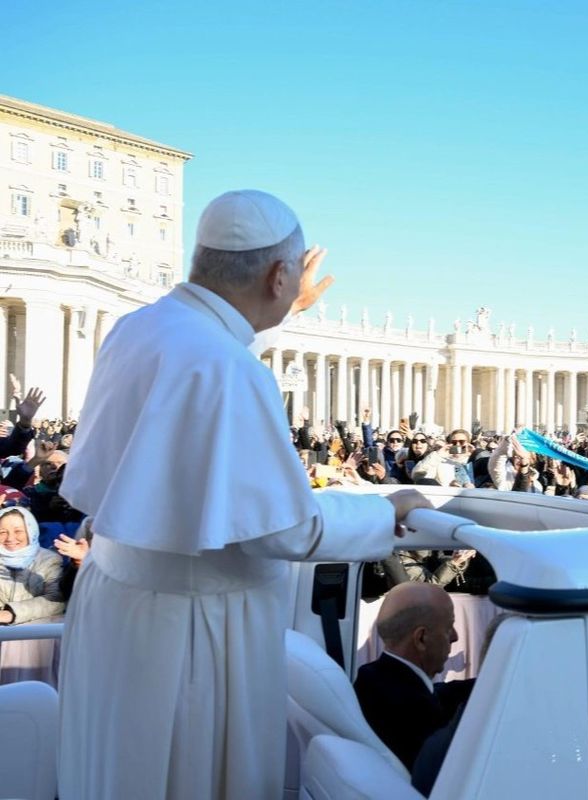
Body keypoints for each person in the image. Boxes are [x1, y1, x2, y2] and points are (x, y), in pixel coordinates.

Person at [56, 190, 431, 800]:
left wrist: (283, 311)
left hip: (115, 605)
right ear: (280, 274)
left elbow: (203, 368)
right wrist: (387, 510)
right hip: (194, 629)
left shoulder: (137, 329)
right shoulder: (228, 366)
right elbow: (286, 527)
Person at [354, 582, 473, 771]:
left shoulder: (370, 677)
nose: (455, 637)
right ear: (421, 639)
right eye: (449, 627)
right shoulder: (418, 714)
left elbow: (438, 693)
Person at [0, 506, 65, 624]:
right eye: (2, 532)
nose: (10, 538)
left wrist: (11, 613)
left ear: (31, 531)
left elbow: (56, 600)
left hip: (33, 635)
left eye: (18, 531)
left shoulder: (49, 560)